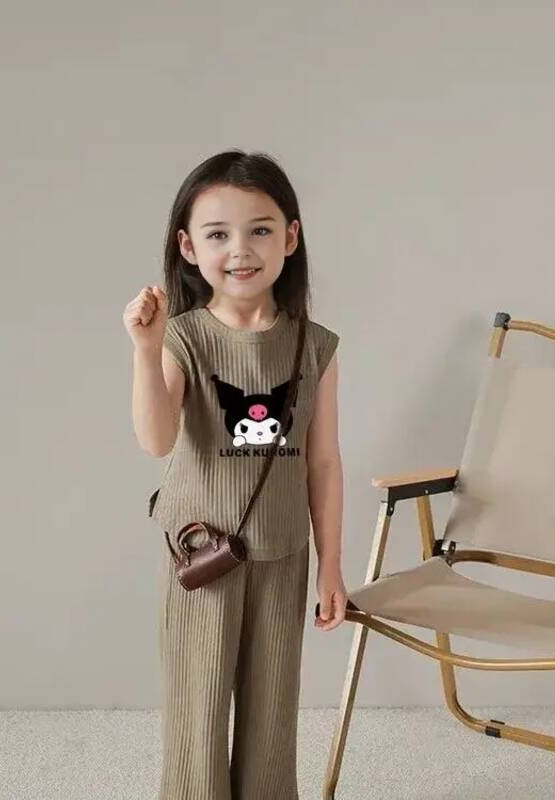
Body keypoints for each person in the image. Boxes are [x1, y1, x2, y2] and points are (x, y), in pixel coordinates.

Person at [123, 149, 346, 800]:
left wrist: (332, 567)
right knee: (197, 713)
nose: (240, 249)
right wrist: (145, 351)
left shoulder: (315, 345)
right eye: (218, 234)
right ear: (189, 248)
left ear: (290, 237)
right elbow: (156, 440)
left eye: (260, 230)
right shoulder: (183, 337)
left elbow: (324, 462)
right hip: (201, 555)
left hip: (283, 552)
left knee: (273, 715)